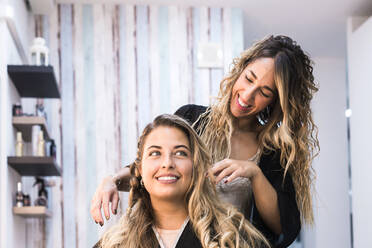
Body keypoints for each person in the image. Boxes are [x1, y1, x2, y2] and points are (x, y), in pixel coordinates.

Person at [91, 35, 319, 248]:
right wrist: (111, 180)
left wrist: (254, 173)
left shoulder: (272, 152)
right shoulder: (193, 119)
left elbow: (283, 226)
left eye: (264, 92)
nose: (248, 95)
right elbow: (156, 170)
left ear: (275, 100)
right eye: (249, 79)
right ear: (240, 70)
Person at [94, 114, 269, 248]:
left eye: (180, 153)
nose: (168, 163)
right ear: (139, 170)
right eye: (155, 153)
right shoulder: (115, 243)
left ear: (196, 167)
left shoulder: (236, 238)